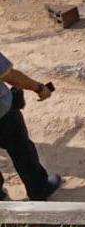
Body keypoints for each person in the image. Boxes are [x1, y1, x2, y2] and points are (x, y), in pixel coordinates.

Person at [0, 51, 61, 201]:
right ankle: (39, 190)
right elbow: (9, 75)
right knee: (22, 151)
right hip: (3, 115)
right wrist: (39, 88)